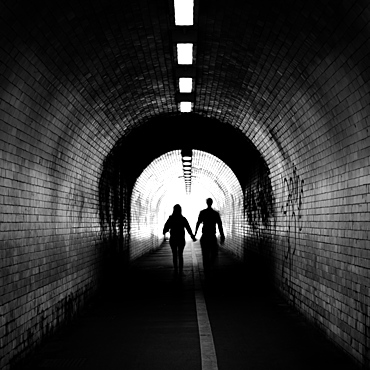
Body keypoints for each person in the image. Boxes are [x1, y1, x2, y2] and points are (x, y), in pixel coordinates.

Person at [163, 204, 196, 275]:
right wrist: (192, 236)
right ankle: (181, 271)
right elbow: (188, 228)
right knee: (180, 254)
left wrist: (165, 231)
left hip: (173, 239)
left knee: (174, 254)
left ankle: (175, 270)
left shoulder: (171, 218)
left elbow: (166, 227)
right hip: (181, 238)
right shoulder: (183, 219)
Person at [194, 198, 225, 270]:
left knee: (205, 254)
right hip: (212, 236)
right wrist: (222, 236)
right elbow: (220, 225)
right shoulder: (215, 213)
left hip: (205, 236)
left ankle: (206, 269)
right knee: (214, 253)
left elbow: (198, 223)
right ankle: (212, 266)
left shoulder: (202, 212)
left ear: (206, 203)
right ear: (212, 203)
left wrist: (195, 234)